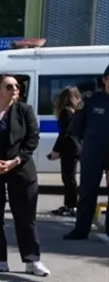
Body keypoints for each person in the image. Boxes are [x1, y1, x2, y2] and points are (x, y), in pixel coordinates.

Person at [0, 73, 46, 275]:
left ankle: (32, 261)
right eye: (9, 86)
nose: (15, 90)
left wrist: (15, 161)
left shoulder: (24, 110)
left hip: (19, 170)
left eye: (17, 86)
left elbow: (32, 138)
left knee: (25, 217)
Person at [65, 65, 109, 240]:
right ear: (105, 79)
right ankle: (81, 229)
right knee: (87, 191)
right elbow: (76, 128)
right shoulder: (91, 101)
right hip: (94, 152)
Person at [49, 85, 83, 217]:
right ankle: (70, 205)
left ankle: (71, 206)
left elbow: (64, 133)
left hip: (69, 148)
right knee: (70, 178)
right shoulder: (77, 111)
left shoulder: (65, 112)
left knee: (68, 178)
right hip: (77, 147)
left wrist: (56, 150)